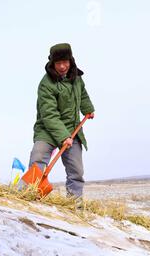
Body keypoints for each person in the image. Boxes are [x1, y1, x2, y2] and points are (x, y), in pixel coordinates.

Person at [27, 43, 95, 198]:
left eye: (65, 62)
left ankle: (74, 205)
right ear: (52, 63)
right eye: (58, 63)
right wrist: (63, 136)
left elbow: (82, 94)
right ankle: (29, 197)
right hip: (47, 130)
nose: (63, 66)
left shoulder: (76, 78)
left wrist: (88, 108)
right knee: (37, 160)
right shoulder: (46, 84)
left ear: (70, 60)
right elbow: (49, 114)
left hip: (72, 129)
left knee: (76, 171)